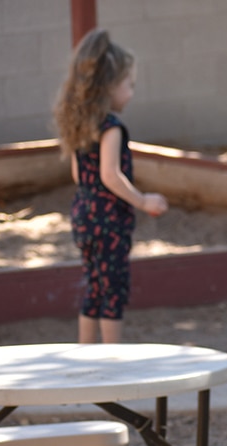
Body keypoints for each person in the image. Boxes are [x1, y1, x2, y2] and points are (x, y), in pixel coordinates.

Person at [53, 29, 168, 344]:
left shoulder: (81, 124)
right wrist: (142, 200)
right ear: (109, 86)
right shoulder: (111, 128)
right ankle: (113, 359)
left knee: (94, 285)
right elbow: (110, 175)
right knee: (114, 289)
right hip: (109, 222)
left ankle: (86, 353)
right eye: (129, 84)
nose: (131, 92)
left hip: (84, 216)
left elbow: (80, 174)